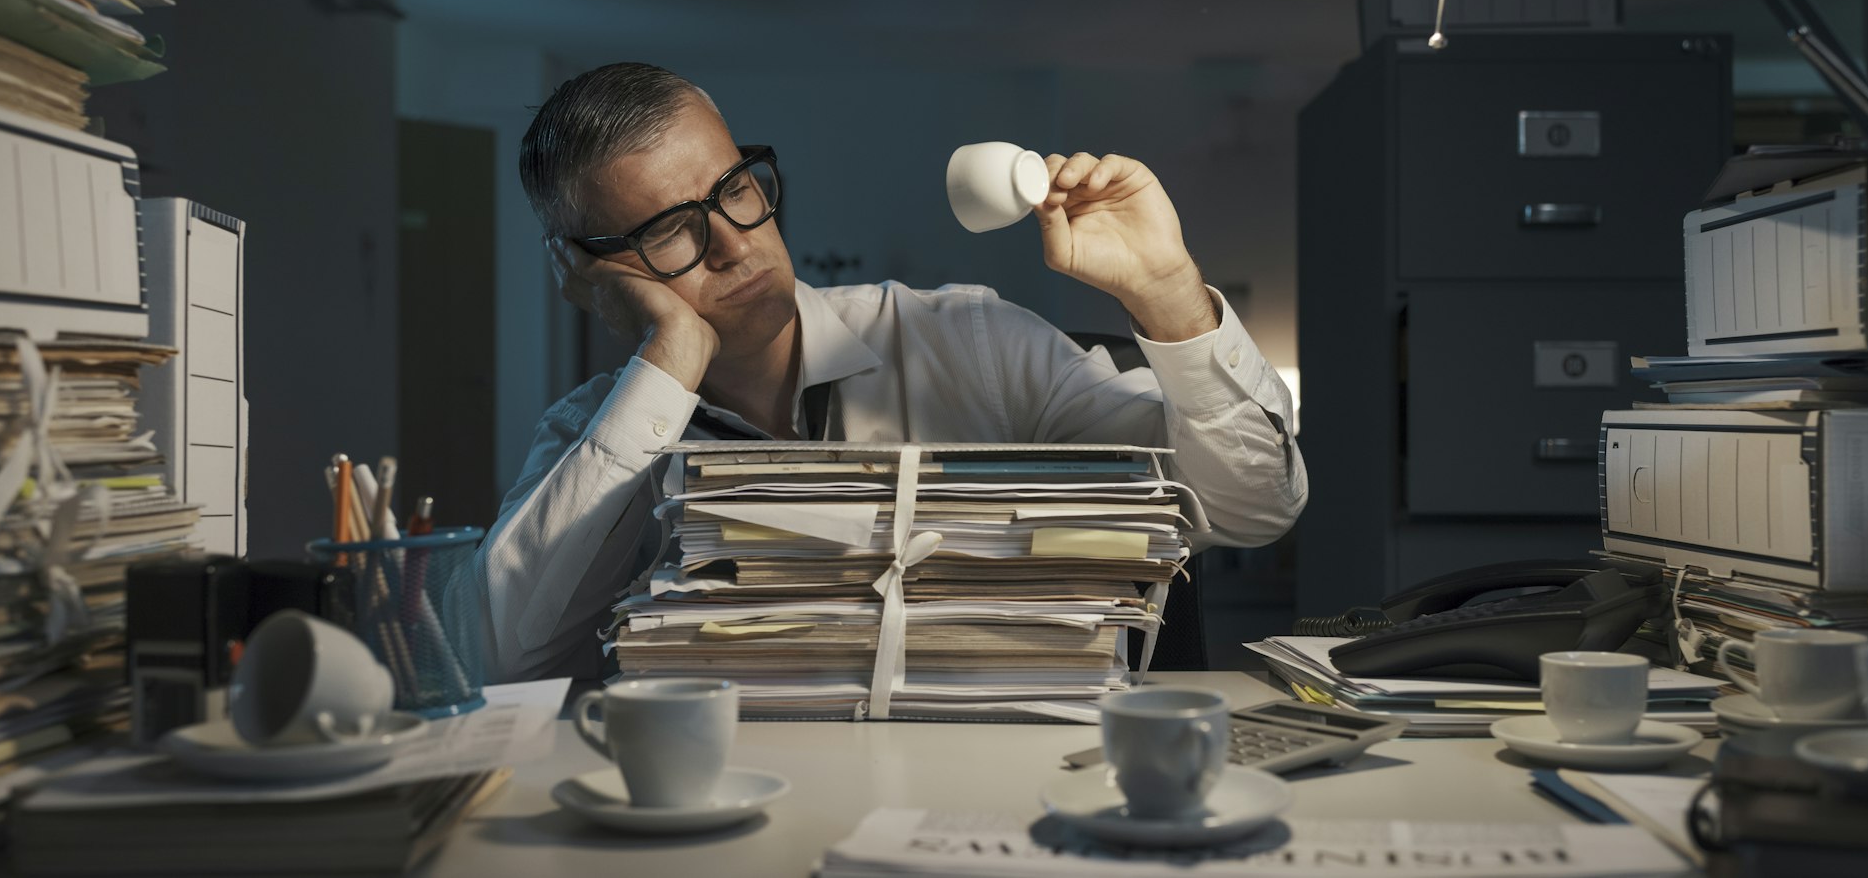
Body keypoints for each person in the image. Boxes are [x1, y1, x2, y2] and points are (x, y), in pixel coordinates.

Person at [462, 62, 1306, 683]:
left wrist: (1172, 297)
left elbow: (1254, 504)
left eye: (735, 187)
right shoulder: (592, 439)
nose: (734, 241)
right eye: (670, 230)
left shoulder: (969, 338)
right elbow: (491, 662)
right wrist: (669, 357)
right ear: (587, 272)